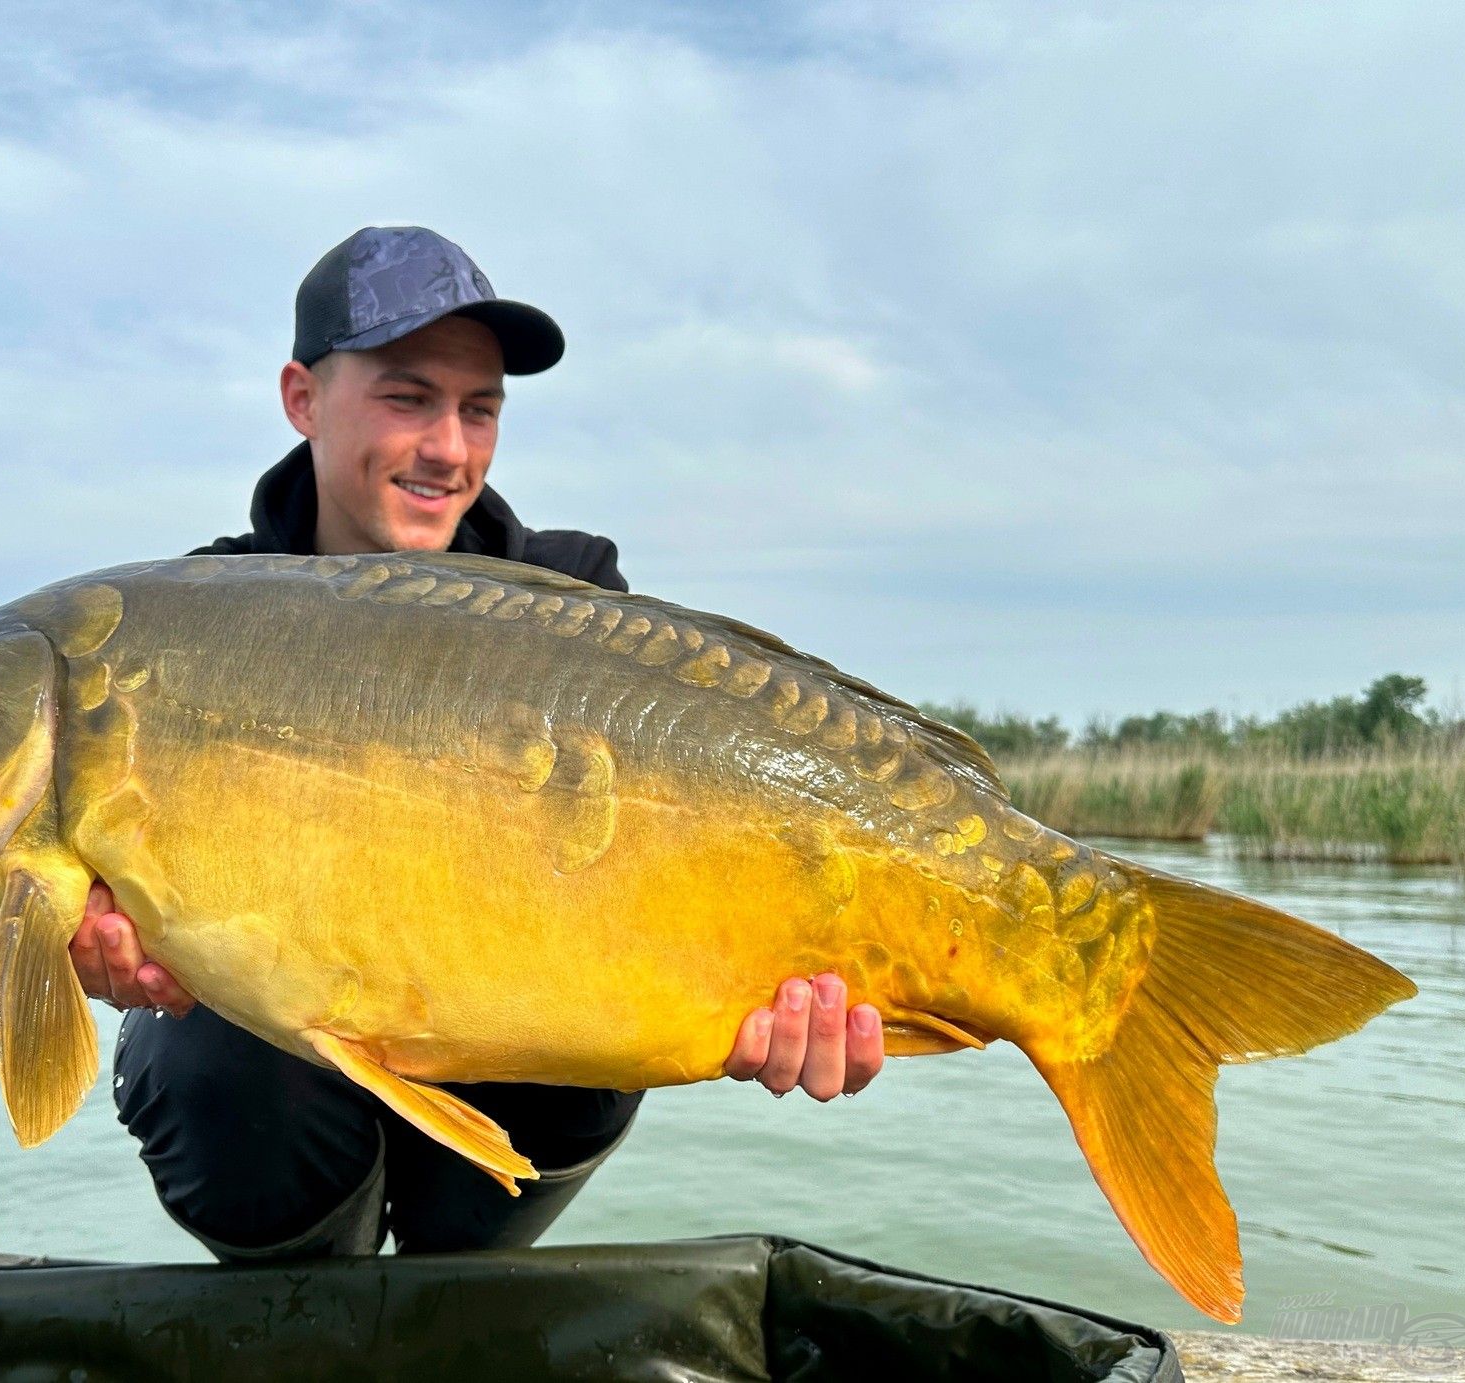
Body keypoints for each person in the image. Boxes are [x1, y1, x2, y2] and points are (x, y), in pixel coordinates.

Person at [72, 226, 884, 1262]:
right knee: (205, 1067)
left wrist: (791, 984)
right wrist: (94, 941)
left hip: (508, 1067)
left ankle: (458, 1298)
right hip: (282, 1064)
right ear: (302, 399)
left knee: (592, 1050)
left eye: (480, 409)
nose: (450, 449)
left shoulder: (580, 598)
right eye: (409, 398)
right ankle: (303, 1307)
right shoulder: (192, 621)